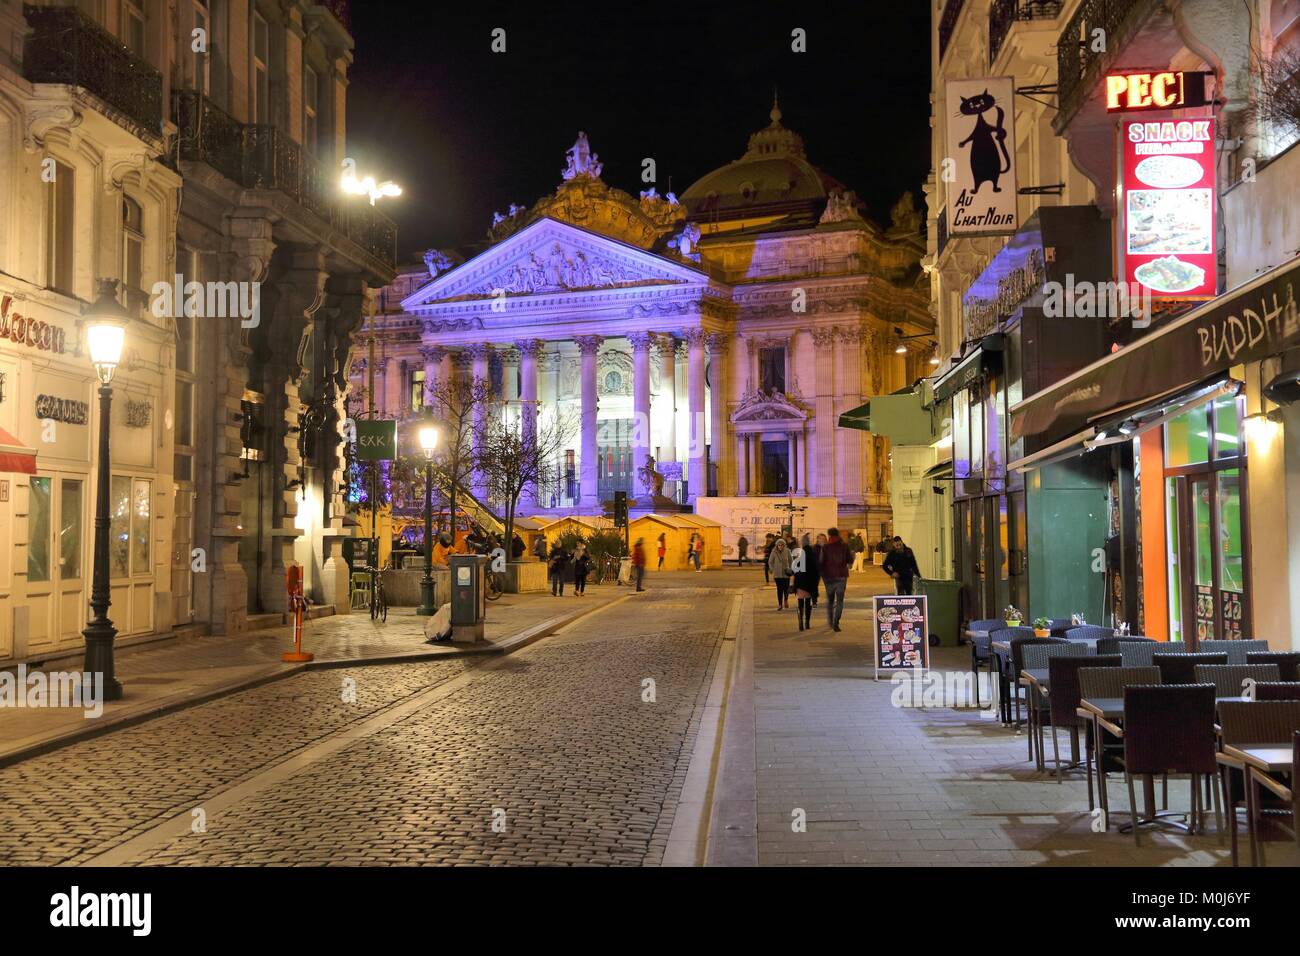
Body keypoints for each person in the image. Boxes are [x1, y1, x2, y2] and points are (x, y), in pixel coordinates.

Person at [821, 527, 850, 632]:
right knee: (840, 601)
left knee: (830, 600)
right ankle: (836, 623)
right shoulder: (844, 546)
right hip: (841, 576)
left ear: (829, 535)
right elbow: (849, 559)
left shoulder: (826, 547)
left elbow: (821, 562)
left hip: (828, 577)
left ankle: (830, 621)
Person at [792, 537, 820, 631]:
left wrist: (795, 583)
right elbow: (817, 571)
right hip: (810, 584)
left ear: (802, 544)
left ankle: (800, 620)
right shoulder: (813, 556)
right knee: (808, 603)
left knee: (800, 602)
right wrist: (815, 584)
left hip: (800, 583)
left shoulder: (800, 555)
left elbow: (795, 570)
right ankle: (807, 622)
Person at [768, 536, 792, 610]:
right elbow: (770, 562)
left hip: (786, 573)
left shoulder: (787, 551)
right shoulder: (774, 551)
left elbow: (791, 561)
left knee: (786, 588)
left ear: (784, 545)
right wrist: (772, 569)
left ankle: (786, 600)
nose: (780, 546)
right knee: (779, 589)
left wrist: (790, 569)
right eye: (779, 545)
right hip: (777, 574)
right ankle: (780, 604)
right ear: (777, 545)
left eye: (782, 545)